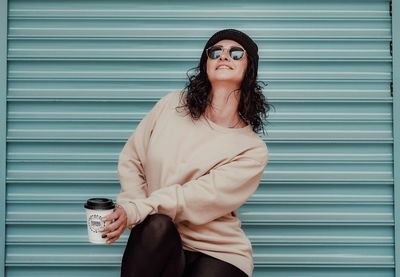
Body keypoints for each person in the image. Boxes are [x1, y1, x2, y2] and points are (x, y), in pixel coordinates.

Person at [100, 29, 270, 277]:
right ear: (206, 64)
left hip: (217, 250)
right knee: (156, 223)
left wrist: (137, 210)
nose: (224, 56)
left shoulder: (251, 149)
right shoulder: (171, 105)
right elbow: (132, 160)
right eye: (215, 52)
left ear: (249, 69)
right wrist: (131, 208)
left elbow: (194, 197)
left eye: (236, 53)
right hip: (161, 237)